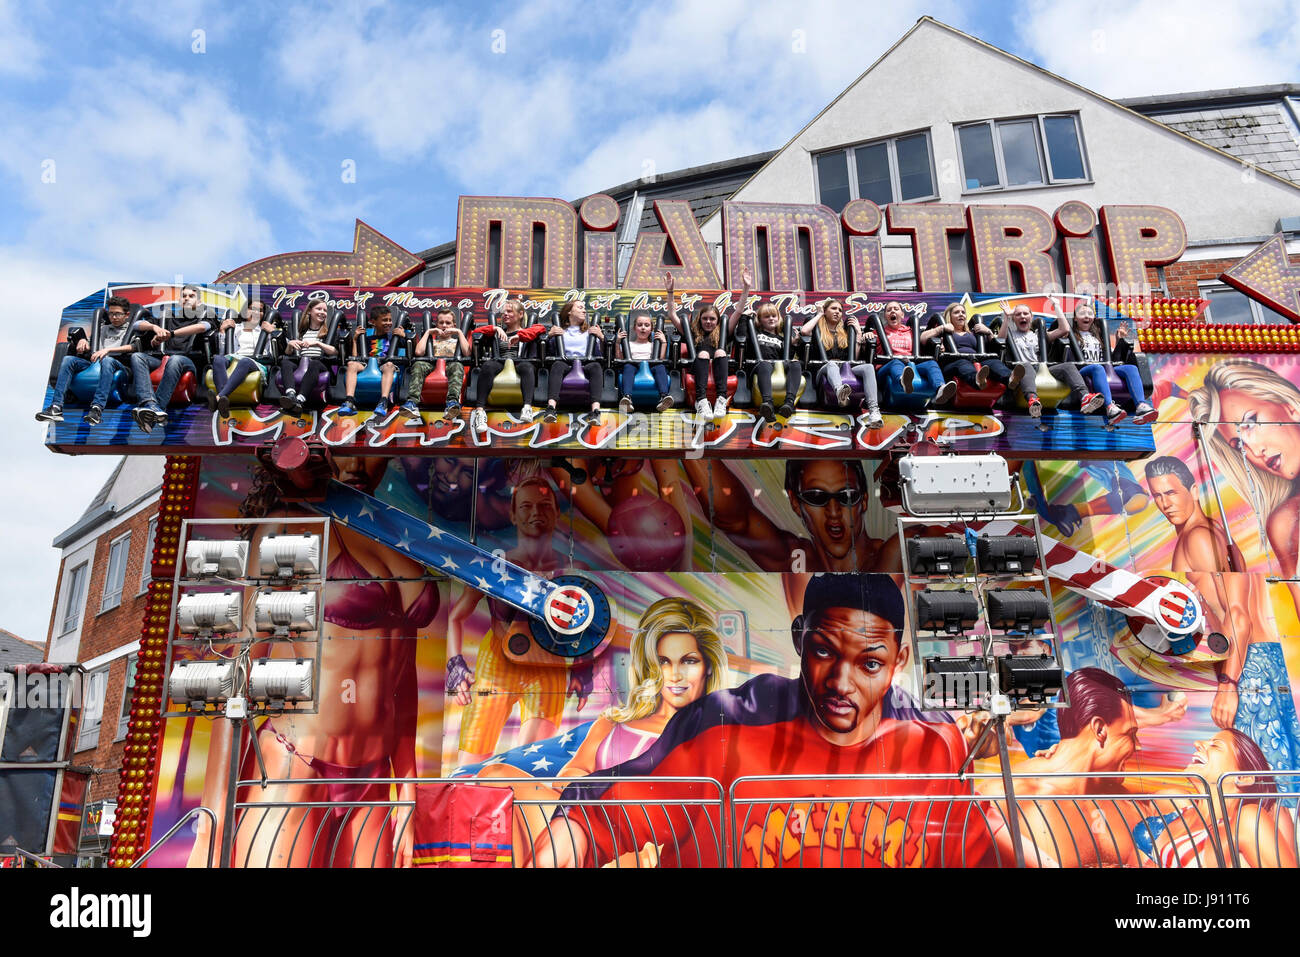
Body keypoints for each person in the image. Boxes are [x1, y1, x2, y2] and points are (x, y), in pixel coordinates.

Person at [531, 574, 1004, 868]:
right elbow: (594, 821)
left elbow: (980, 847)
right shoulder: (726, 724)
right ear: (800, 640)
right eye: (824, 651)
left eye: (870, 664)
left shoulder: (934, 740)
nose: (842, 682)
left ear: (899, 660)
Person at [186, 457, 425, 868]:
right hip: (296, 761)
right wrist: (213, 816)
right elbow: (239, 672)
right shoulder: (290, 525)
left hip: (372, 776)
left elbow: (402, 682)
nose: (358, 461)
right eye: (346, 447)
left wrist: (408, 789)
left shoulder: (392, 532)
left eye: (370, 447)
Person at [464, 597, 729, 865]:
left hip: (645, 843)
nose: (675, 675)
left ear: (708, 667)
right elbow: (568, 776)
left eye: (689, 661)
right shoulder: (613, 722)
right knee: (496, 775)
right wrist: (598, 794)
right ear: (649, 664)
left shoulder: (714, 736)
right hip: (585, 820)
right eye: (663, 661)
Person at [446, 474, 591, 765]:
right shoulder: (491, 566)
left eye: (544, 505)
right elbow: (456, 617)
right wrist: (456, 665)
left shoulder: (575, 570)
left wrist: (582, 667)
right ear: (513, 514)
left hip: (548, 667)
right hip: (496, 666)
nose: (535, 512)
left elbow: (590, 626)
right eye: (526, 506)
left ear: (557, 512)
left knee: (530, 769)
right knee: (469, 770)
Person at [683, 458, 900, 572]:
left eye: (846, 496)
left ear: (863, 500)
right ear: (796, 503)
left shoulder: (895, 553)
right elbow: (735, 519)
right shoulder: (796, 559)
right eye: (816, 497)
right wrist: (684, 434)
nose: (833, 512)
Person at [1132, 729, 1296, 868]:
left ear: (1244, 777)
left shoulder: (1246, 820)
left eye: (1215, 745)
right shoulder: (1180, 813)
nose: (1197, 743)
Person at [1050, 299, 1157, 426]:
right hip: (1083, 371)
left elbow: (1112, 358)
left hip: (1104, 369)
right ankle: (1110, 407)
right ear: (1075, 319)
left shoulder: (1099, 337)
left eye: (1090, 314)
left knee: (1131, 368)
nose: (1086, 316)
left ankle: (1141, 406)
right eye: (1082, 313)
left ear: (1094, 318)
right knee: (1097, 368)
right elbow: (1063, 329)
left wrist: (1118, 339)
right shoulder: (1070, 335)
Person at [665, 269, 751, 422]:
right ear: (700, 319)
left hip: (720, 366)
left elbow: (738, 311)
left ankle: (721, 399)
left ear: (718, 321)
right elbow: (672, 314)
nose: (708, 322)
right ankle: (701, 400)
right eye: (705, 319)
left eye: (712, 319)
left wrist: (746, 288)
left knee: (720, 352)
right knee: (704, 353)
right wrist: (670, 292)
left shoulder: (723, 332)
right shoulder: (693, 332)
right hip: (698, 365)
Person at [37, 295, 135, 426]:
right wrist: (83, 341)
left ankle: (97, 409)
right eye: (111, 314)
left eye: (117, 314)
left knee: (107, 360)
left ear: (126, 314)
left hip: (118, 364)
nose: (114, 317)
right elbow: (90, 345)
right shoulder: (103, 328)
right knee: (68, 360)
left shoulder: (134, 328)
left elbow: (134, 347)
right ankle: (56, 407)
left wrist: (108, 351)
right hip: (94, 363)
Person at [128, 284, 213, 431]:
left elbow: (202, 327)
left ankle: (158, 406)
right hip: (163, 360)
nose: (187, 299)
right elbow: (136, 324)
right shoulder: (168, 318)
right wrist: (154, 328)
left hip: (187, 362)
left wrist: (171, 334)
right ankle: (149, 404)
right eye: (184, 296)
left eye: (191, 296)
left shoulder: (206, 315)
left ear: (199, 302)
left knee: (175, 359)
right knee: (137, 357)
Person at [996, 301, 1101, 418]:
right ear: (1014, 319)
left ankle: (1085, 397)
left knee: (1068, 366)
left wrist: (1056, 306)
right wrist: (1007, 317)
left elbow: (1064, 329)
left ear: (1031, 317)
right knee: (1025, 365)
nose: (1022, 316)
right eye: (1018, 314)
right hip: (1022, 369)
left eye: (1025, 313)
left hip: (1042, 369)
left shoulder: (1039, 335)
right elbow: (1000, 339)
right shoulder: (1010, 334)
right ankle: (1033, 400)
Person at [799, 298, 883, 427]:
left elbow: (853, 357)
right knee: (832, 364)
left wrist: (858, 334)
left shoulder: (844, 333)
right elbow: (804, 331)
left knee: (868, 367)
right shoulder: (817, 330)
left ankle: (874, 412)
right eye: (833, 308)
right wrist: (819, 314)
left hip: (844, 369)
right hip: (824, 371)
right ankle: (840, 393)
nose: (837, 312)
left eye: (840, 310)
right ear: (825, 311)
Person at [470, 298, 548, 434]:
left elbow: (541, 329)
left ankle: (527, 407)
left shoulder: (527, 330)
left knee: (528, 367)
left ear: (520, 314)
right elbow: (475, 332)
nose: (505, 314)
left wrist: (520, 335)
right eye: (503, 312)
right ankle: (480, 412)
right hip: (500, 361)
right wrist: (494, 328)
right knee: (487, 366)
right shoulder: (498, 332)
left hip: (520, 361)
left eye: (510, 311)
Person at [926, 301, 1026, 399]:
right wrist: (941, 328)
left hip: (977, 360)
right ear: (949, 316)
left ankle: (1010, 378)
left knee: (993, 362)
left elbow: (999, 342)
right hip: (954, 362)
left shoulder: (974, 333)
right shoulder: (944, 331)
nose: (961, 314)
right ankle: (977, 380)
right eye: (957, 312)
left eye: (963, 312)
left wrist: (989, 332)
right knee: (963, 363)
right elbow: (922, 338)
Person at [875, 300, 955, 408]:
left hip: (911, 366)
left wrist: (941, 335)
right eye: (889, 310)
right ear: (885, 316)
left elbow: (923, 338)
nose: (892, 311)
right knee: (896, 362)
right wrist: (866, 335)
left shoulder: (911, 331)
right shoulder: (879, 332)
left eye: (896, 309)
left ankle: (940, 389)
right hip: (887, 367)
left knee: (931, 363)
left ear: (902, 314)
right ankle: (902, 381)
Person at [208, 300, 276, 418]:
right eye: (252, 309)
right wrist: (223, 332)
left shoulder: (265, 329)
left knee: (244, 361)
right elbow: (223, 351)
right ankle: (223, 399)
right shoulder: (235, 328)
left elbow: (274, 351)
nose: (255, 312)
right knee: (218, 359)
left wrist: (273, 332)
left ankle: (219, 397)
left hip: (255, 363)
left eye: (259, 310)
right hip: (233, 359)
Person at [400, 306, 470, 421]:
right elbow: (418, 352)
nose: (444, 326)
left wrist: (459, 332)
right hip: (432, 365)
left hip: (450, 366)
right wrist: (428, 332)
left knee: (458, 366)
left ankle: (452, 403)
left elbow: (467, 352)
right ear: (436, 325)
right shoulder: (431, 341)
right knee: (418, 365)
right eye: (441, 322)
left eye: (448, 323)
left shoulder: (457, 341)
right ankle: (412, 402)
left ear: (454, 325)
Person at [543, 299, 605, 423]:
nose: (584, 310)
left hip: (585, 363)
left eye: (584, 308)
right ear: (569, 312)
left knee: (596, 366)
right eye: (580, 307)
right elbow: (549, 352)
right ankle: (550, 408)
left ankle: (595, 411)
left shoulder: (590, 331)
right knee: (557, 365)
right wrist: (549, 336)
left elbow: (601, 354)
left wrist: (601, 336)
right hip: (566, 362)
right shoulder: (560, 331)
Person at [277, 300, 340, 415]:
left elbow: (335, 351)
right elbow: (288, 353)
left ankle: (300, 400)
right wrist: (290, 345)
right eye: (319, 309)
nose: (322, 312)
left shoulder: (328, 332)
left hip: (319, 363)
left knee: (314, 364)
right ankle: (291, 396)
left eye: (325, 310)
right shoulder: (300, 331)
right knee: (286, 363)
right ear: (310, 311)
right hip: (300, 361)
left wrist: (318, 343)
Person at [338, 304, 402, 419]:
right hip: (367, 365)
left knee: (389, 365)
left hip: (384, 366)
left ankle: (383, 401)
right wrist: (355, 339)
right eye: (384, 320)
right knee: (351, 364)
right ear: (373, 322)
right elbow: (355, 356)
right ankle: (349, 401)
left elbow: (414, 351)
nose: (388, 323)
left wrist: (404, 336)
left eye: (390, 320)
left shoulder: (394, 337)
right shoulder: (367, 339)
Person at [749, 302, 804, 423]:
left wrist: (793, 345)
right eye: (767, 316)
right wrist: (744, 318)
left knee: (795, 363)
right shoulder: (756, 334)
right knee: (765, 364)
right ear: (760, 319)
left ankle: (789, 403)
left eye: (774, 316)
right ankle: (767, 403)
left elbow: (786, 357)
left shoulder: (782, 339)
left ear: (778, 318)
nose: (771, 319)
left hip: (778, 365)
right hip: (761, 366)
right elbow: (743, 334)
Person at [615, 309, 673, 413]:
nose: (643, 328)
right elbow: (620, 359)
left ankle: (664, 397)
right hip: (634, 367)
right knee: (628, 366)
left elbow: (661, 358)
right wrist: (618, 342)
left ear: (651, 329)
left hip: (651, 367)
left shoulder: (653, 346)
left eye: (646, 325)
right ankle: (627, 398)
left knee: (660, 366)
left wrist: (663, 342)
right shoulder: (629, 345)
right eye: (640, 325)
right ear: (634, 328)